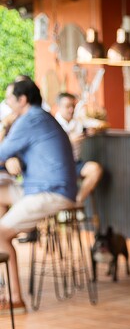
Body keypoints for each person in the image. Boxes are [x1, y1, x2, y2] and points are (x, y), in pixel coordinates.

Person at [0, 79, 77, 311]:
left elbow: (2, 153)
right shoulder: (39, 118)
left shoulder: (30, 119)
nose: (7, 103)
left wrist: (5, 127)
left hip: (51, 191)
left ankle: (14, 299)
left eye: (9, 99)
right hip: (38, 187)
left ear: (22, 100)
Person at [54, 92, 103, 205]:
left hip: (75, 164)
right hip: (58, 166)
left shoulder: (78, 123)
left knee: (95, 169)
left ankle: (77, 202)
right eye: (67, 106)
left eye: (73, 106)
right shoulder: (53, 125)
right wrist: (69, 141)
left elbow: (99, 124)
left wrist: (92, 130)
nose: (71, 109)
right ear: (58, 107)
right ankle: (63, 205)